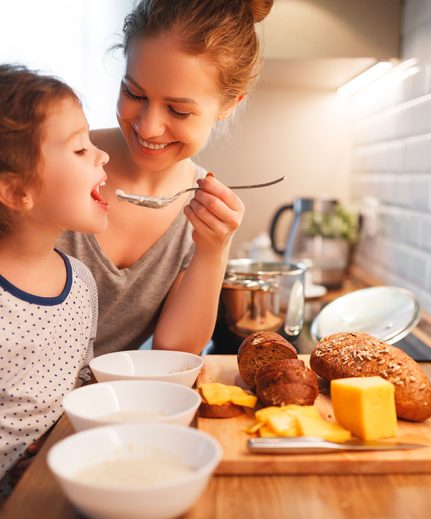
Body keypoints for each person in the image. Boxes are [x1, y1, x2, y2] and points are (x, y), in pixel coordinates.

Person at [58, 0, 274, 356]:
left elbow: (174, 353)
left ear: (229, 104)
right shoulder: (53, 160)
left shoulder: (200, 212)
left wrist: (213, 250)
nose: (148, 126)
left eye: (178, 110)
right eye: (134, 93)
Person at [0, 64, 109, 493]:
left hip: (60, 491)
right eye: (80, 150)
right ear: (15, 192)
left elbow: (79, 388)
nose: (102, 155)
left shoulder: (80, 282)